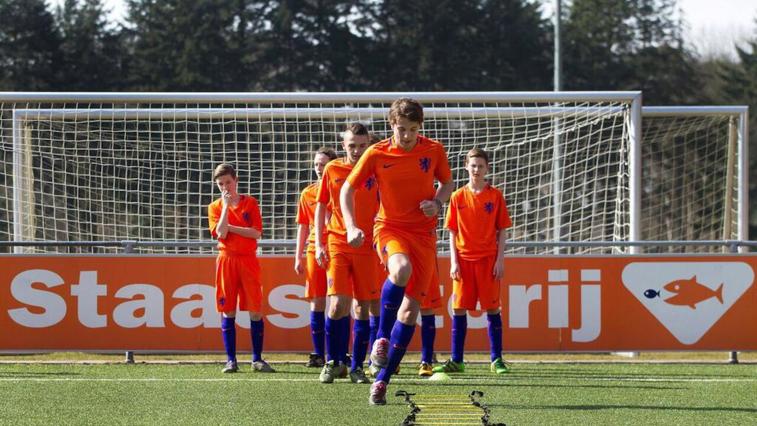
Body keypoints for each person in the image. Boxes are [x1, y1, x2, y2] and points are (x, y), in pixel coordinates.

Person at [341, 98, 454, 405]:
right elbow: (347, 189)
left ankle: (382, 380)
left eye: (413, 130)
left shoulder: (433, 150)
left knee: (410, 311)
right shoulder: (377, 153)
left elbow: (446, 182)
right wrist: (351, 226)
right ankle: (380, 336)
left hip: (424, 236)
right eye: (402, 129)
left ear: (420, 128)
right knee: (400, 269)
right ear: (392, 126)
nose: (407, 136)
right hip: (389, 227)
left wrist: (438, 203)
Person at [434, 148, 512, 376]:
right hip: (463, 262)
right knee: (458, 309)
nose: (476, 170)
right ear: (466, 167)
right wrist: (453, 262)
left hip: (488, 261)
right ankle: (457, 360)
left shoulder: (495, 196)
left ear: (487, 168)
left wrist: (500, 260)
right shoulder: (457, 197)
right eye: (473, 165)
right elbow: (452, 232)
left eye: (481, 166)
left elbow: (502, 230)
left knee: (492, 308)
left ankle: (496, 359)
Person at [315, 123, 381, 384]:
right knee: (337, 305)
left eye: (362, 146)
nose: (356, 150)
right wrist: (319, 243)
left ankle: (356, 367)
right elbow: (321, 206)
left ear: (368, 146)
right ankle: (334, 362)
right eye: (351, 145)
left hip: (366, 246)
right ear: (343, 146)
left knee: (361, 306)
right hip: (337, 243)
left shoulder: (376, 170)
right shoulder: (332, 169)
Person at [207, 163, 274, 373]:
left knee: (255, 309)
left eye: (228, 182)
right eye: (220, 184)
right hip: (226, 260)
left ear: (236, 181)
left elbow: (256, 233)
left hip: (248, 260)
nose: (225, 187)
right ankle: (231, 360)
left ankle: (257, 359)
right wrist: (226, 208)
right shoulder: (215, 207)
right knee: (228, 310)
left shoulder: (251, 203)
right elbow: (220, 234)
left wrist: (232, 228)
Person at [295, 147, 338, 368]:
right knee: (317, 301)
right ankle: (318, 353)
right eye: (316, 165)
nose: (319, 169)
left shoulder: (341, 189)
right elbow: (303, 226)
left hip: (337, 247)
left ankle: (337, 353)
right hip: (314, 249)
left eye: (323, 164)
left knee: (338, 302)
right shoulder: (307, 193)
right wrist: (298, 256)